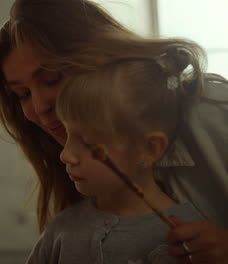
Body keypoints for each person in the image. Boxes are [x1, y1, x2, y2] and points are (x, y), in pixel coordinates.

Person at [0, 0, 228, 262]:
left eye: (51, 79)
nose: (39, 106)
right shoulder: (70, 221)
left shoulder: (212, 113)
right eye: (22, 94)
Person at [26, 47, 206, 264]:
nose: (66, 155)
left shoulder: (194, 240)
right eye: (68, 134)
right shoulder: (60, 230)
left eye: (88, 143)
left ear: (150, 149)